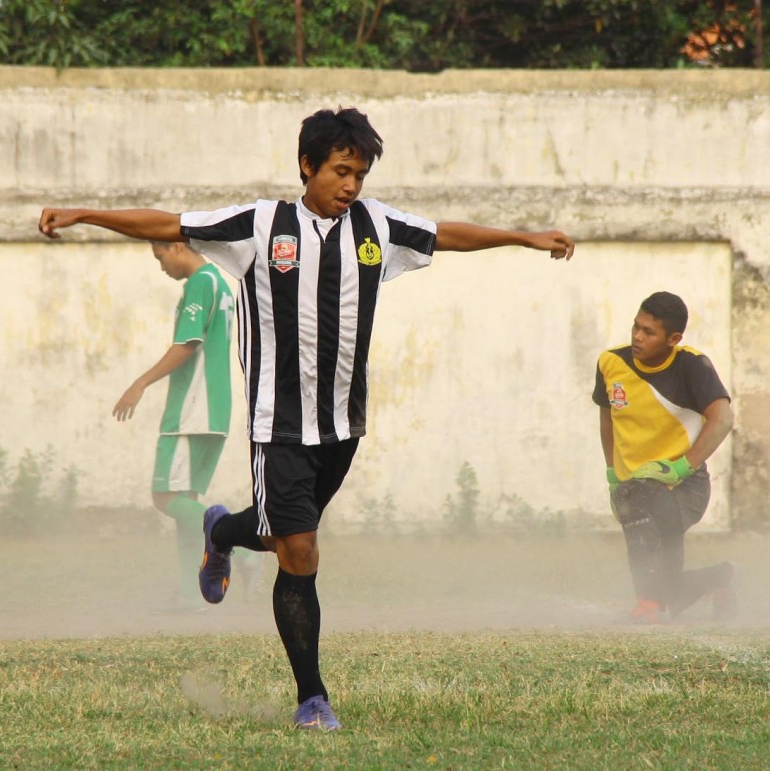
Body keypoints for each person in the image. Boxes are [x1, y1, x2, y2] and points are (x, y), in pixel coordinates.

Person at [39, 107, 575, 731]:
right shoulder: (260, 225)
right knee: (300, 549)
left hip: (344, 426)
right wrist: (83, 214)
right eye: (341, 172)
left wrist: (525, 238)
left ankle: (221, 532)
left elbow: (446, 233)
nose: (351, 186)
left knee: (281, 539)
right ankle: (312, 698)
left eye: (360, 175)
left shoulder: (376, 226)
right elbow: (167, 222)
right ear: (307, 166)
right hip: (279, 426)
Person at [592, 291, 737, 625]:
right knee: (671, 594)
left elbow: (723, 419)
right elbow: (607, 419)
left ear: (673, 339)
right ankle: (723, 577)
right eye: (636, 327)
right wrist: (612, 474)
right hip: (632, 488)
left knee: (637, 496)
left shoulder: (691, 365)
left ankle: (648, 604)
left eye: (649, 332)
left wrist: (682, 467)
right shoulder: (610, 363)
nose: (637, 337)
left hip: (686, 487)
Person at [112, 241, 235, 611]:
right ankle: (190, 594)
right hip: (214, 408)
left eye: (160, 256)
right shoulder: (221, 283)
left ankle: (241, 545)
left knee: (165, 498)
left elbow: (187, 343)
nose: (161, 265)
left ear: (177, 246)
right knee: (187, 506)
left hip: (192, 409)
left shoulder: (201, 282)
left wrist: (140, 383)